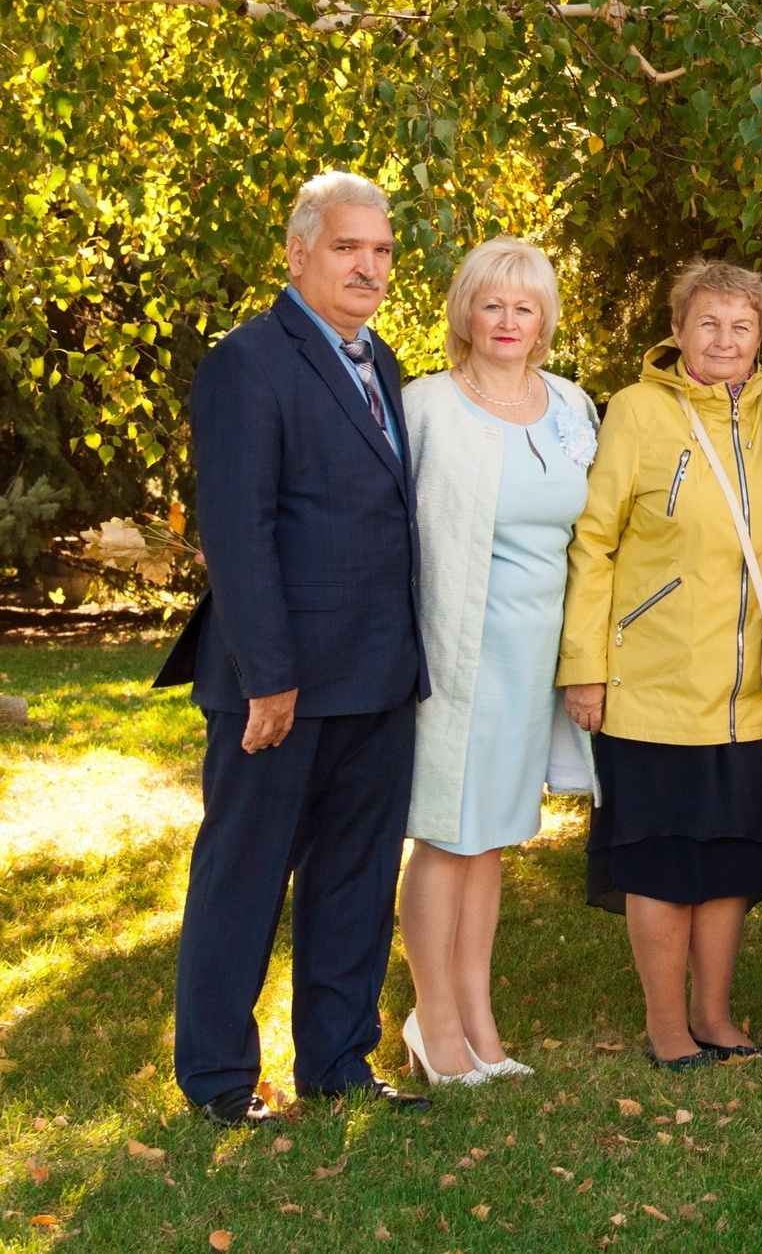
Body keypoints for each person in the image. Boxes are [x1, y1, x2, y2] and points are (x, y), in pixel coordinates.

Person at [157, 171, 431, 1124]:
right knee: (243, 876)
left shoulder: (381, 361)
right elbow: (238, 530)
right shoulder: (249, 363)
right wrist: (267, 677)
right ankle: (220, 1081)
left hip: (378, 677)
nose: (370, 266)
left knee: (356, 880)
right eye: (349, 247)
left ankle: (338, 1061)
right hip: (279, 682)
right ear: (299, 254)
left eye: (383, 250)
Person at [558, 260, 762, 1070]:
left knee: (730, 856)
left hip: (749, 689)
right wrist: (584, 667)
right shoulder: (636, 411)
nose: (725, 340)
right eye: (708, 324)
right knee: (664, 861)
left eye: (741, 326)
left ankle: (717, 1017)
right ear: (678, 330)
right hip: (653, 680)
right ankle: (667, 1027)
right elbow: (592, 544)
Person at [396, 237, 600, 1086]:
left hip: (534, 655)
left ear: (545, 318)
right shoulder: (426, 406)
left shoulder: (571, 404)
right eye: (492, 304)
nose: (508, 320)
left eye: (525, 306)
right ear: (465, 315)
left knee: (492, 841)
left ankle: (479, 1019)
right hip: (455, 651)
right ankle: (431, 1022)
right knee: (447, 834)